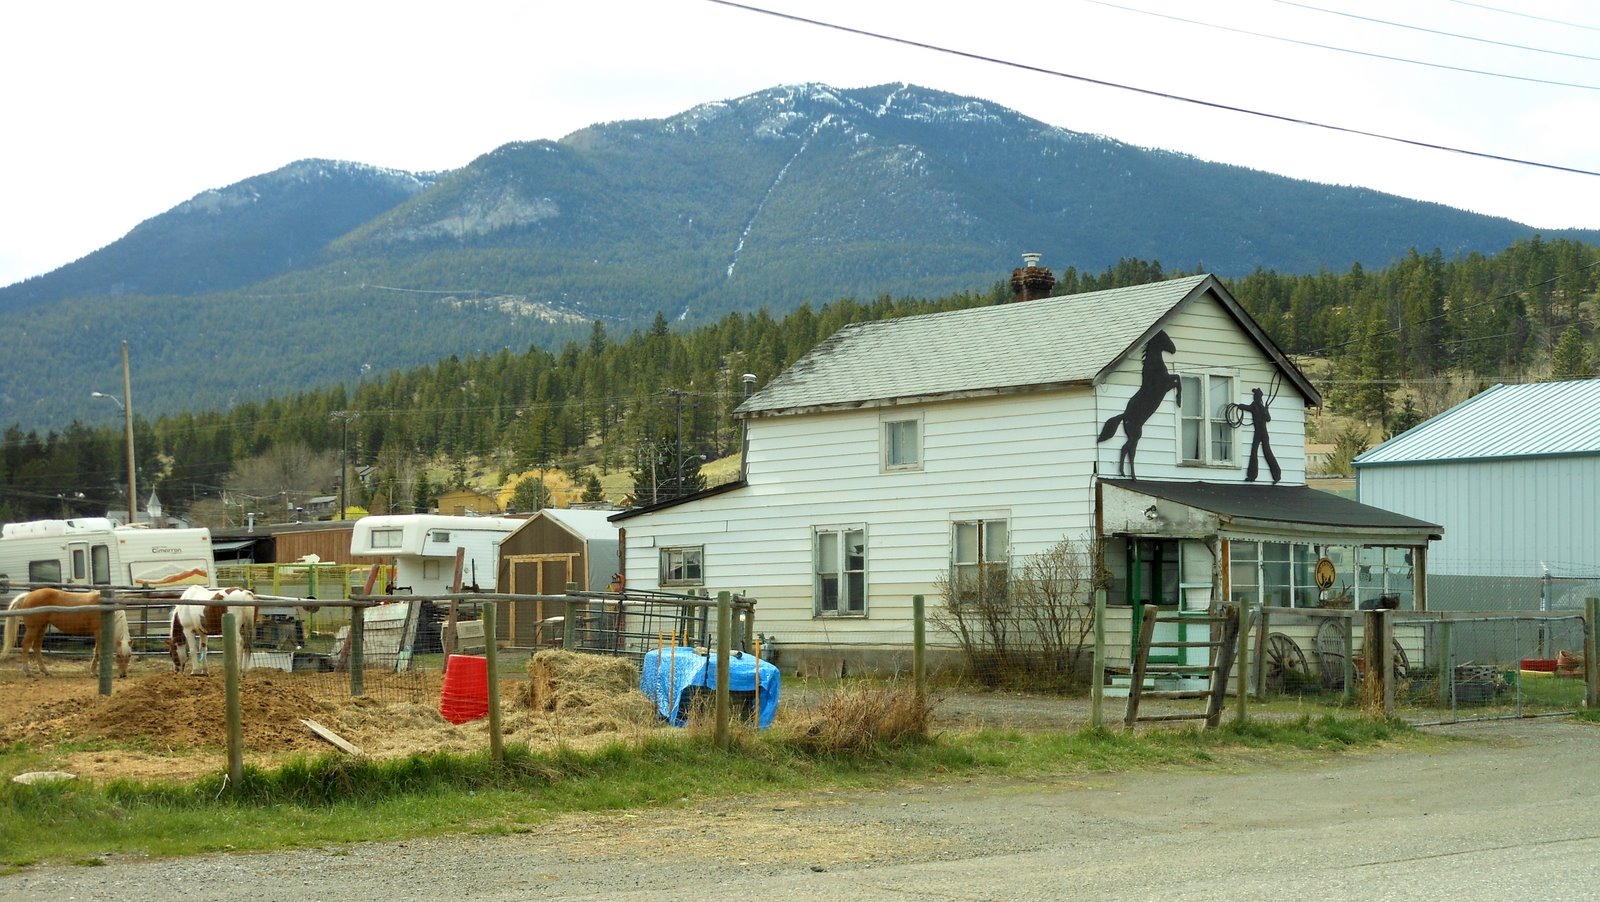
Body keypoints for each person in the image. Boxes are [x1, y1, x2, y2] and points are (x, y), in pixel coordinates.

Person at [1242, 387, 1281, 483]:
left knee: (1261, 452)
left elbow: (1267, 418)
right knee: (1264, 452)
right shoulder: (1260, 406)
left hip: (1260, 432)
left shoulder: (1256, 405)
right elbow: (1268, 418)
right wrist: (1266, 410)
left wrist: (1240, 406)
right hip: (1261, 432)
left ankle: (1255, 475)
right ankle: (1274, 476)